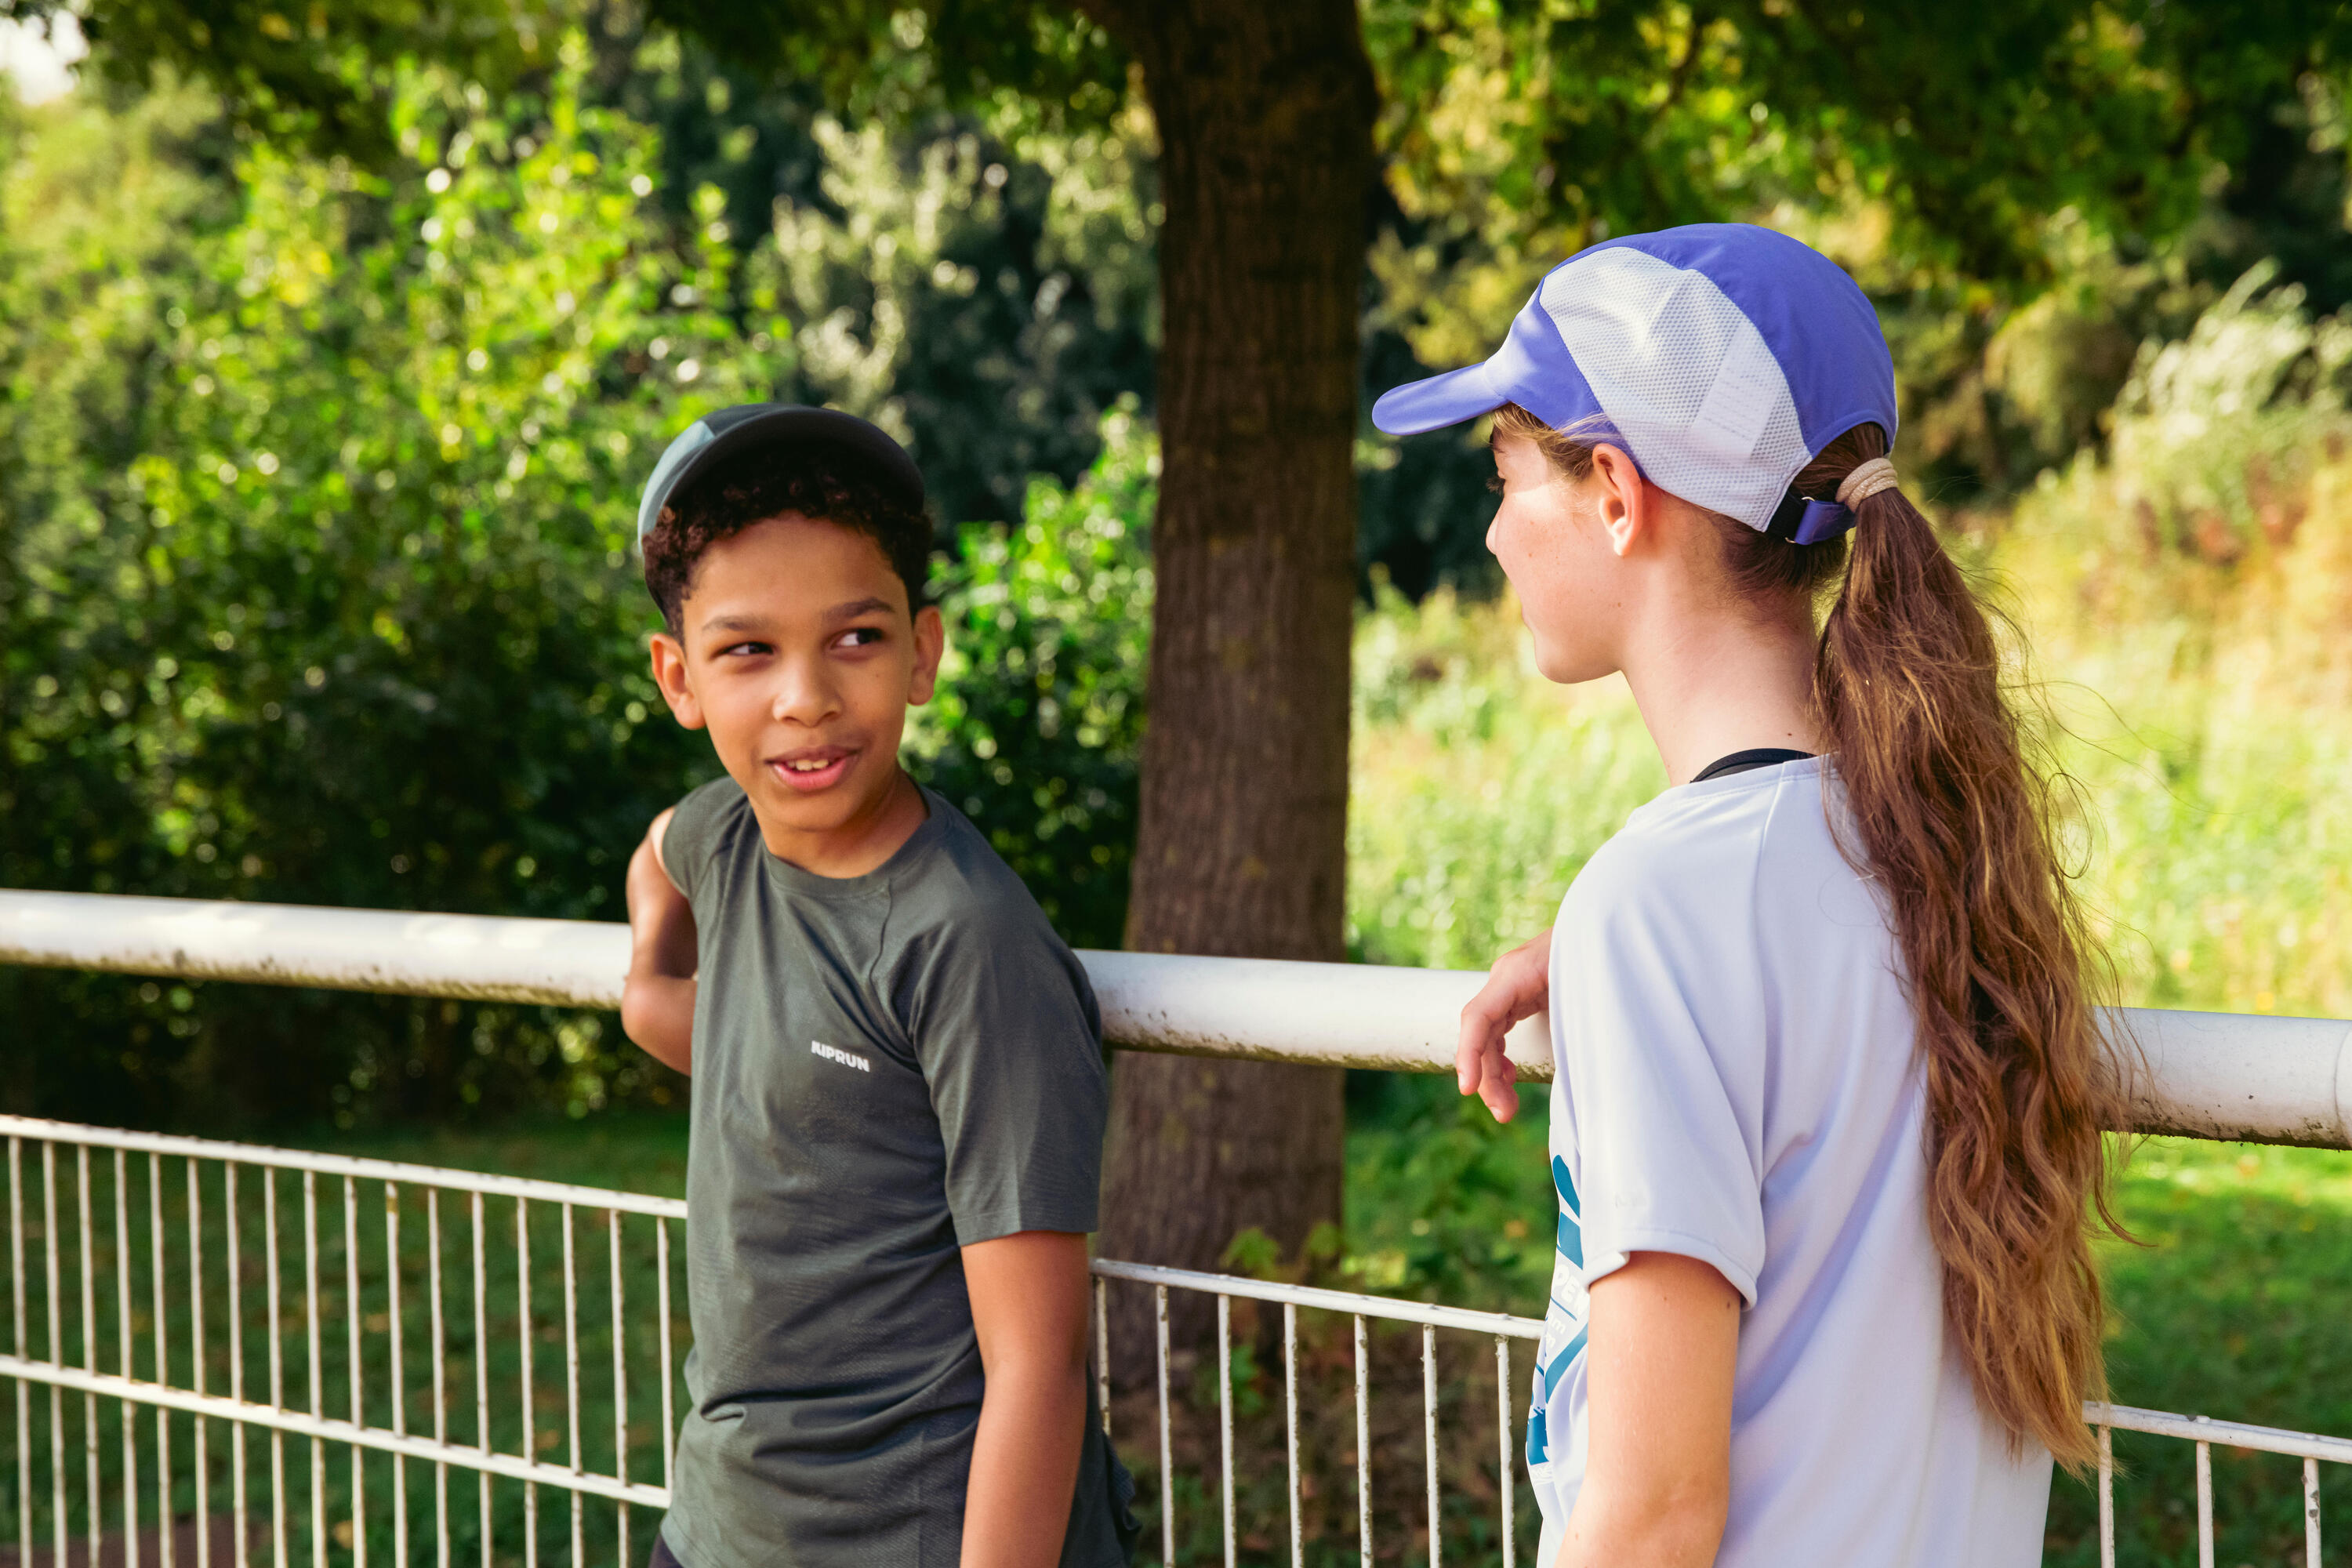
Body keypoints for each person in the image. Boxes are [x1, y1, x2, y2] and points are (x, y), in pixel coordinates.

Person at [1373, 226, 2121, 1567]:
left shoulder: (1671, 910)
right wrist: (1605, 957)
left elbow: (1656, 1520)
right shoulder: (1930, 853)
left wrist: (1628, 945)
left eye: (1503, 475)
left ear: (1615, 490)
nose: (1490, 531)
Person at [615, 404, 1136, 1568]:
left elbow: (1039, 1370)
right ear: (679, 676)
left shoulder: (968, 943)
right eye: (748, 651)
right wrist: (648, 981)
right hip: (718, 1527)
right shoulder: (729, 837)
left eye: (853, 638)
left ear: (923, 651)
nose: (804, 696)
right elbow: (663, 847)